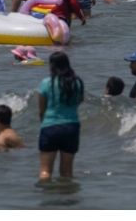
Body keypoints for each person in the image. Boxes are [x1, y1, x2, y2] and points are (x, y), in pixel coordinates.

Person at [37, 51, 84, 182]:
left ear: (52, 65)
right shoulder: (77, 83)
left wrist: (43, 125)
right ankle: (67, 198)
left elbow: (42, 110)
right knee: (67, 172)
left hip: (50, 126)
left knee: (45, 171)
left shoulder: (46, 83)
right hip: (71, 126)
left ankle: (46, 198)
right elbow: (79, 101)